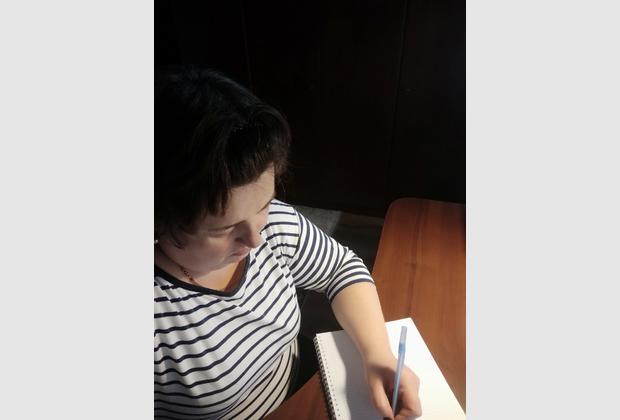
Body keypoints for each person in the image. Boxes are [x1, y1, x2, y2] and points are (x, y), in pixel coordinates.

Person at [154, 66, 422, 419]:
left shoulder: (274, 224)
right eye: (223, 229)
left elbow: (340, 269)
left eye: (263, 205)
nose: (255, 238)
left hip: (306, 384)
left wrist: (378, 355)